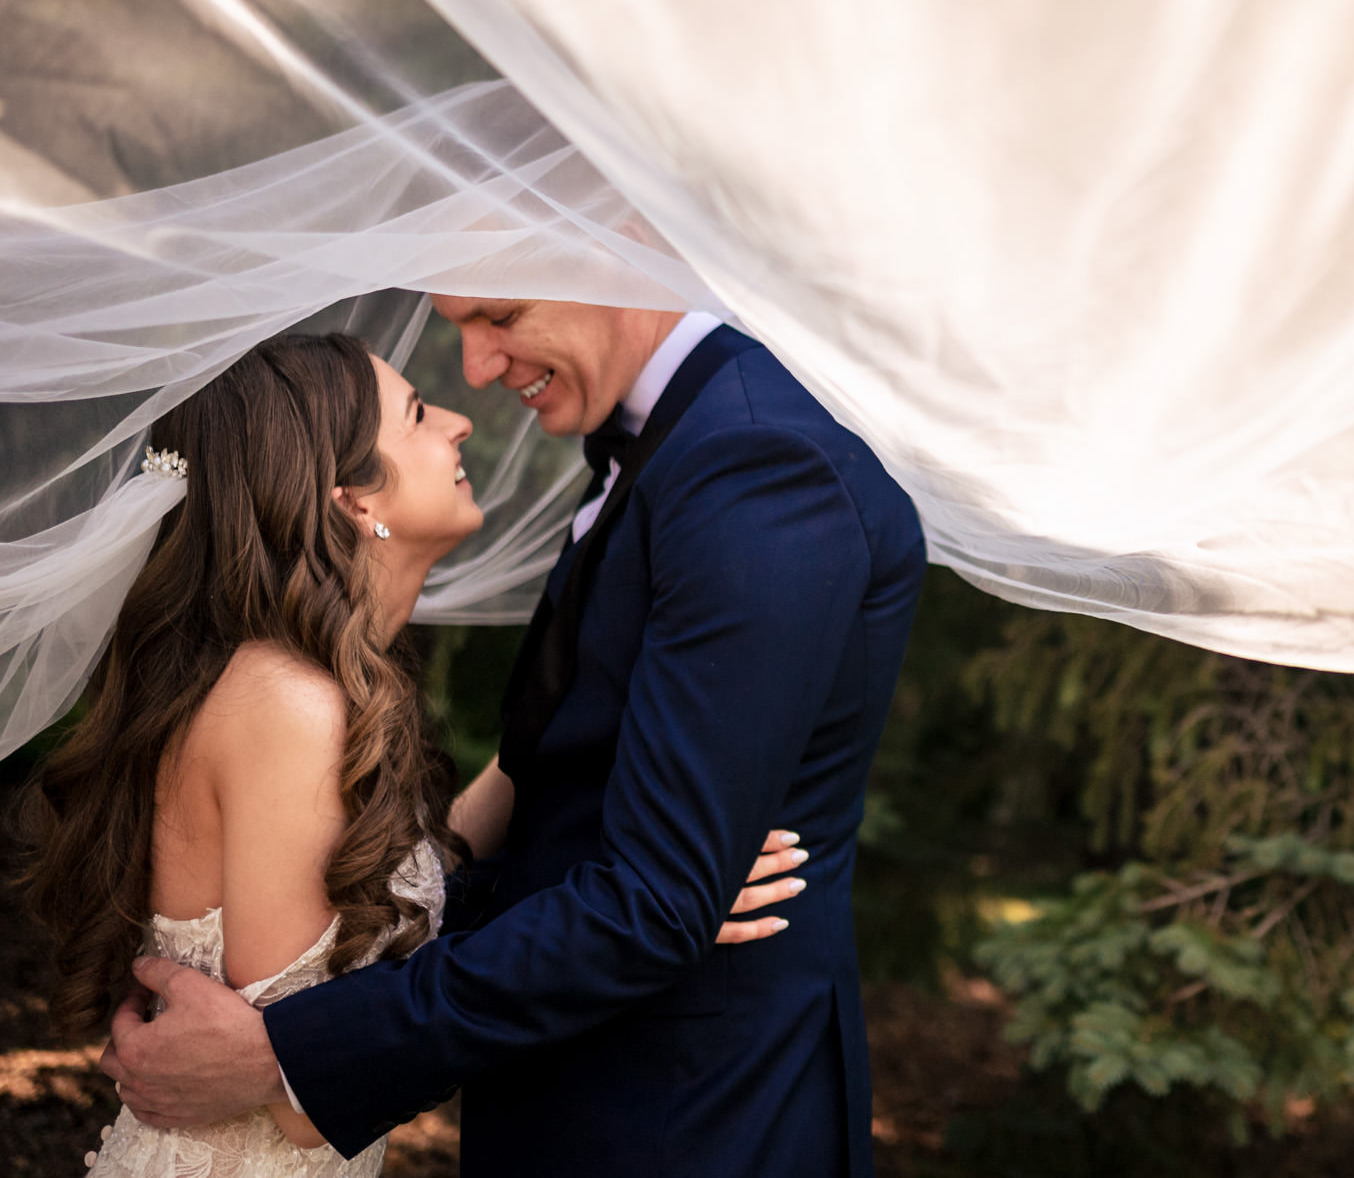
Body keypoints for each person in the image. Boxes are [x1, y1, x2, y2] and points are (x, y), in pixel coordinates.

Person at [96, 301, 926, 1177]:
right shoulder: (288, 702)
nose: (473, 383)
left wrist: (664, 882)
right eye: (417, 412)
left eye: (496, 315)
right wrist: (655, 894)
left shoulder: (747, 455)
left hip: (692, 1124)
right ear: (353, 498)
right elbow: (301, 1028)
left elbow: (601, 873)